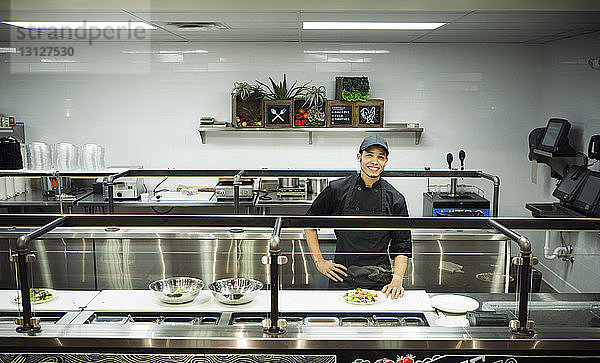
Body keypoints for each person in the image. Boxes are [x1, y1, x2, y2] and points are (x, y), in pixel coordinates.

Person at [304, 135, 411, 299]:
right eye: (369, 155)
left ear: (386, 162)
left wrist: (397, 279)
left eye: (380, 157)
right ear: (359, 157)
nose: (374, 161)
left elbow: (402, 245)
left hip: (381, 283)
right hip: (342, 278)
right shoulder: (337, 189)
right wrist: (319, 262)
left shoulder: (395, 198)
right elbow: (308, 223)